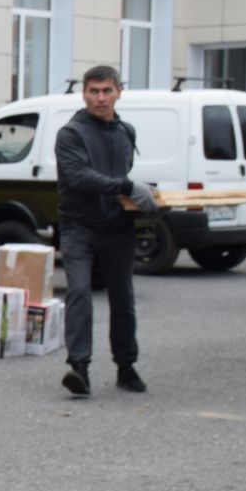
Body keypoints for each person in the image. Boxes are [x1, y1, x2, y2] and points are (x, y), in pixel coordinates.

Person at [54, 65, 157, 398]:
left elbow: (122, 177)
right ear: (83, 94)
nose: (100, 98)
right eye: (94, 91)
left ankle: (126, 367)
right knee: (80, 293)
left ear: (118, 92)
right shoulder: (71, 133)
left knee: (123, 298)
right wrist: (127, 186)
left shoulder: (126, 131)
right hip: (78, 226)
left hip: (118, 226)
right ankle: (79, 368)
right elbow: (78, 177)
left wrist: (144, 195)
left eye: (107, 91)